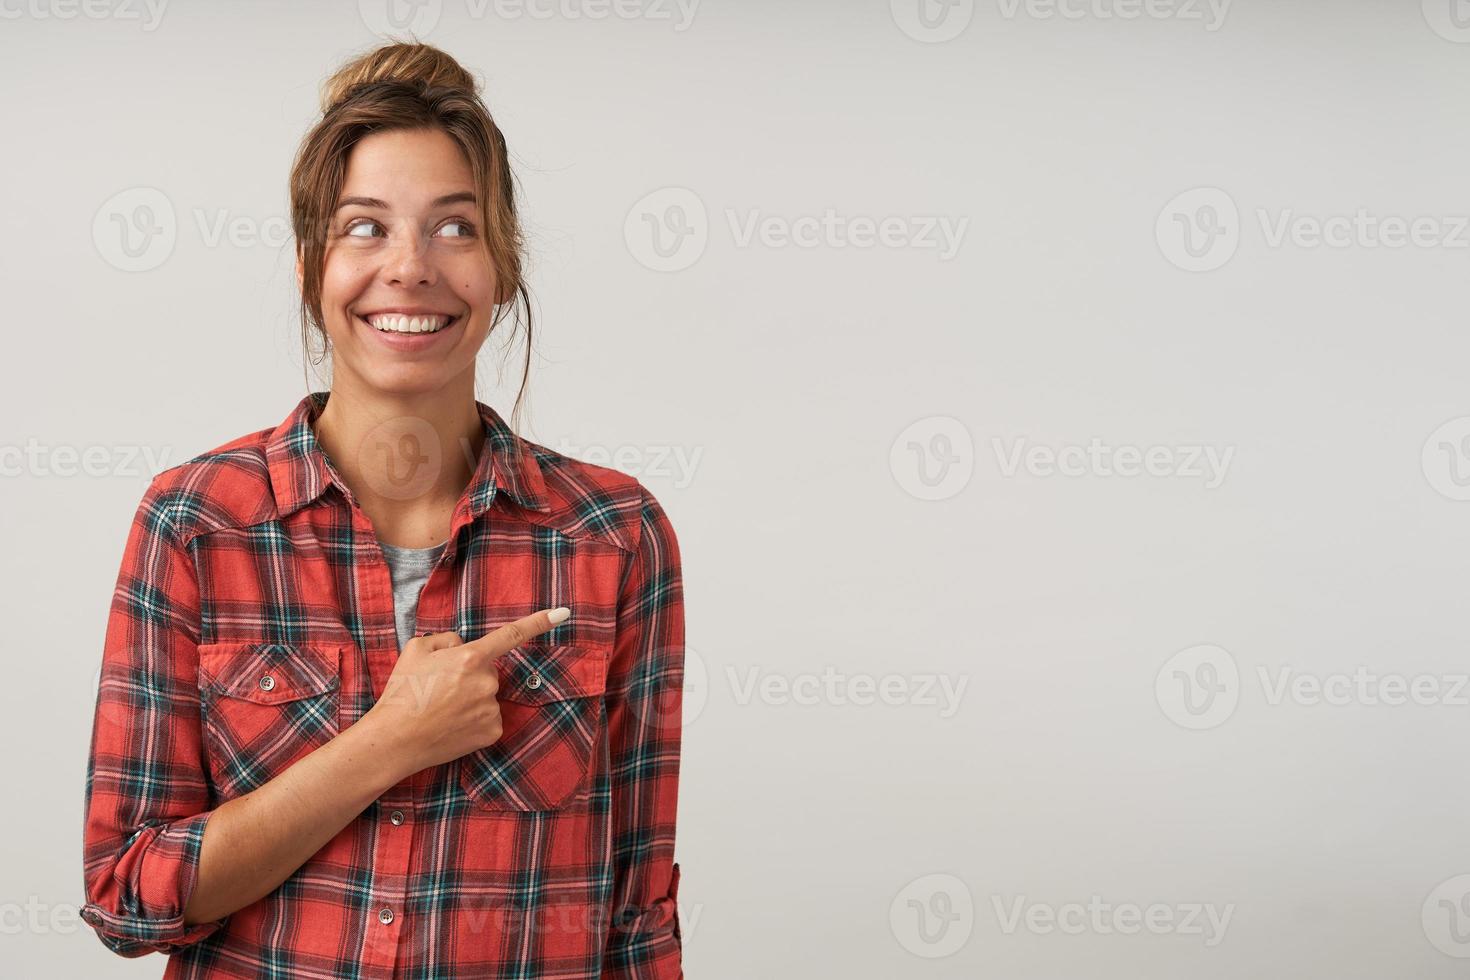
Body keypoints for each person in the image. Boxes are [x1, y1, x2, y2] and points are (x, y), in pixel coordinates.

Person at [79, 39, 686, 979]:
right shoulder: (197, 523)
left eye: (455, 227)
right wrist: (390, 741)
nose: (410, 268)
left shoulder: (613, 536)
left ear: (505, 267)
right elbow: (128, 898)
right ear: (308, 264)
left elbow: (636, 917)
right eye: (365, 227)